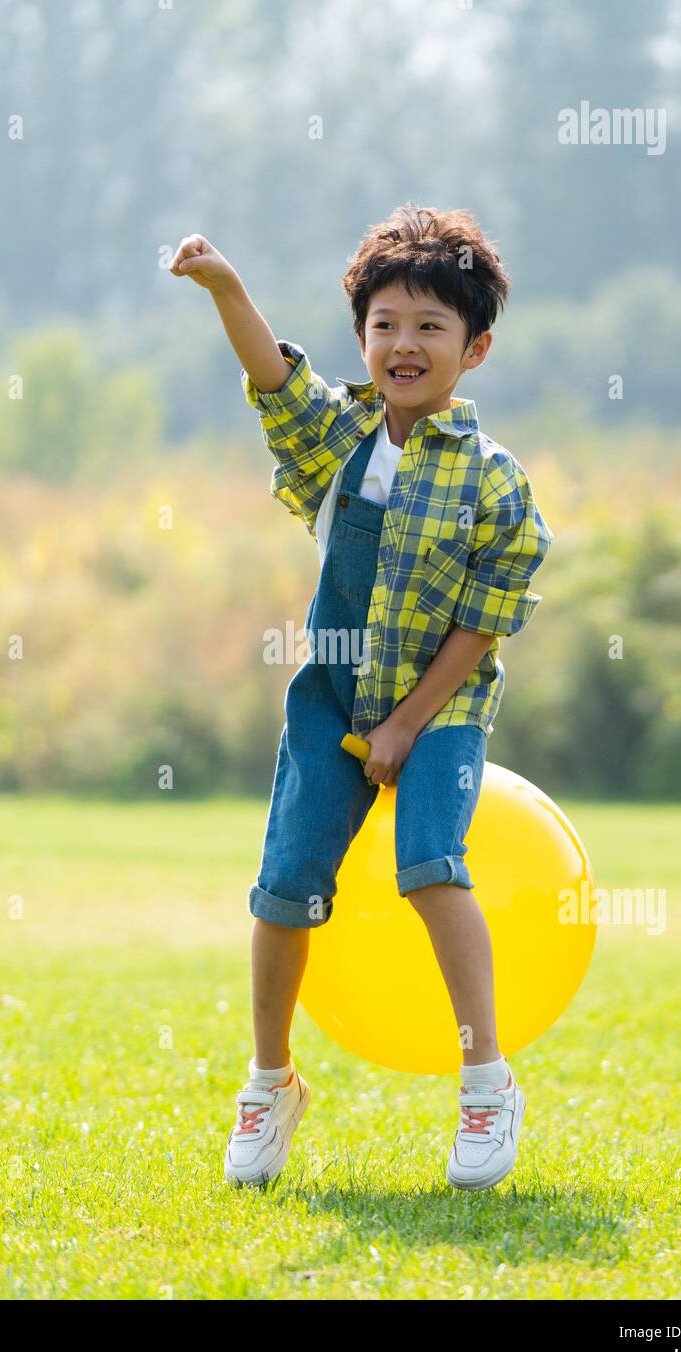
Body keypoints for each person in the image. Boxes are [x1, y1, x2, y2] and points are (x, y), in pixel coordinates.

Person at [170, 203, 553, 1191]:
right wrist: (228, 287)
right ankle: (269, 1081)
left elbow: (485, 618)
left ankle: (485, 1078)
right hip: (330, 699)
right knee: (284, 889)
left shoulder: (495, 484)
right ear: (363, 339)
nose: (405, 343)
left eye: (431, 326)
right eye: (386, 324)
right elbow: (273, 381)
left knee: (431, 867)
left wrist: (406, 724)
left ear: (477, 348)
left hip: (441, 706)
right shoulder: (338, 443)